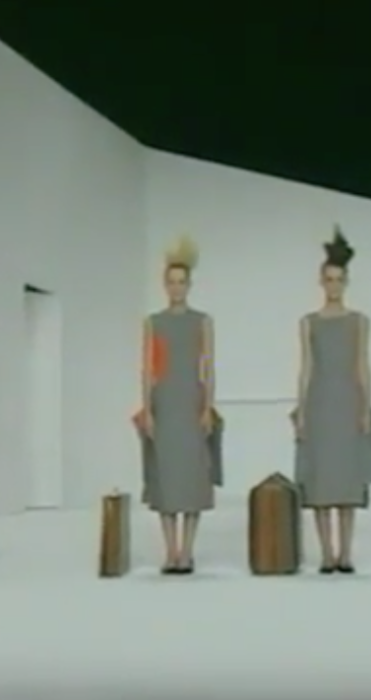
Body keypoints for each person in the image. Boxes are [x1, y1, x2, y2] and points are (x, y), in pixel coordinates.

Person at [293, 226, 371, 575]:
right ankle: (327, 553)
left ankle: (345, 552)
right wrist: (301, 410)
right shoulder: (308, 322)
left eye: (339, 280)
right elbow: (306, 367)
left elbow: (362, 364)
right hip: (319, 403)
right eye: (329, 279)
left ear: (346, 282)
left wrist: (366, 407)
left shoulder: (358, 321)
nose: (334, 285)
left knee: (346, 480)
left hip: (347, 402)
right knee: (321, 480)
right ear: (321, 281)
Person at [135, 236, 217, 575]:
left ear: (189, 285)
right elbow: (148, 368)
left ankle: (187, 551)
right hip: (165, 402)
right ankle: (170, 551)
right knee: (167, 477)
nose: (177, 288)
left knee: (192, 477)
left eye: (182, 282)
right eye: (172, 282)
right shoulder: (154, 323)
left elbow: (208, 366)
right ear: (165, 285)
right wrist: (147, 408)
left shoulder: (202, 322)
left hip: (191, 401)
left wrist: (208, 406)